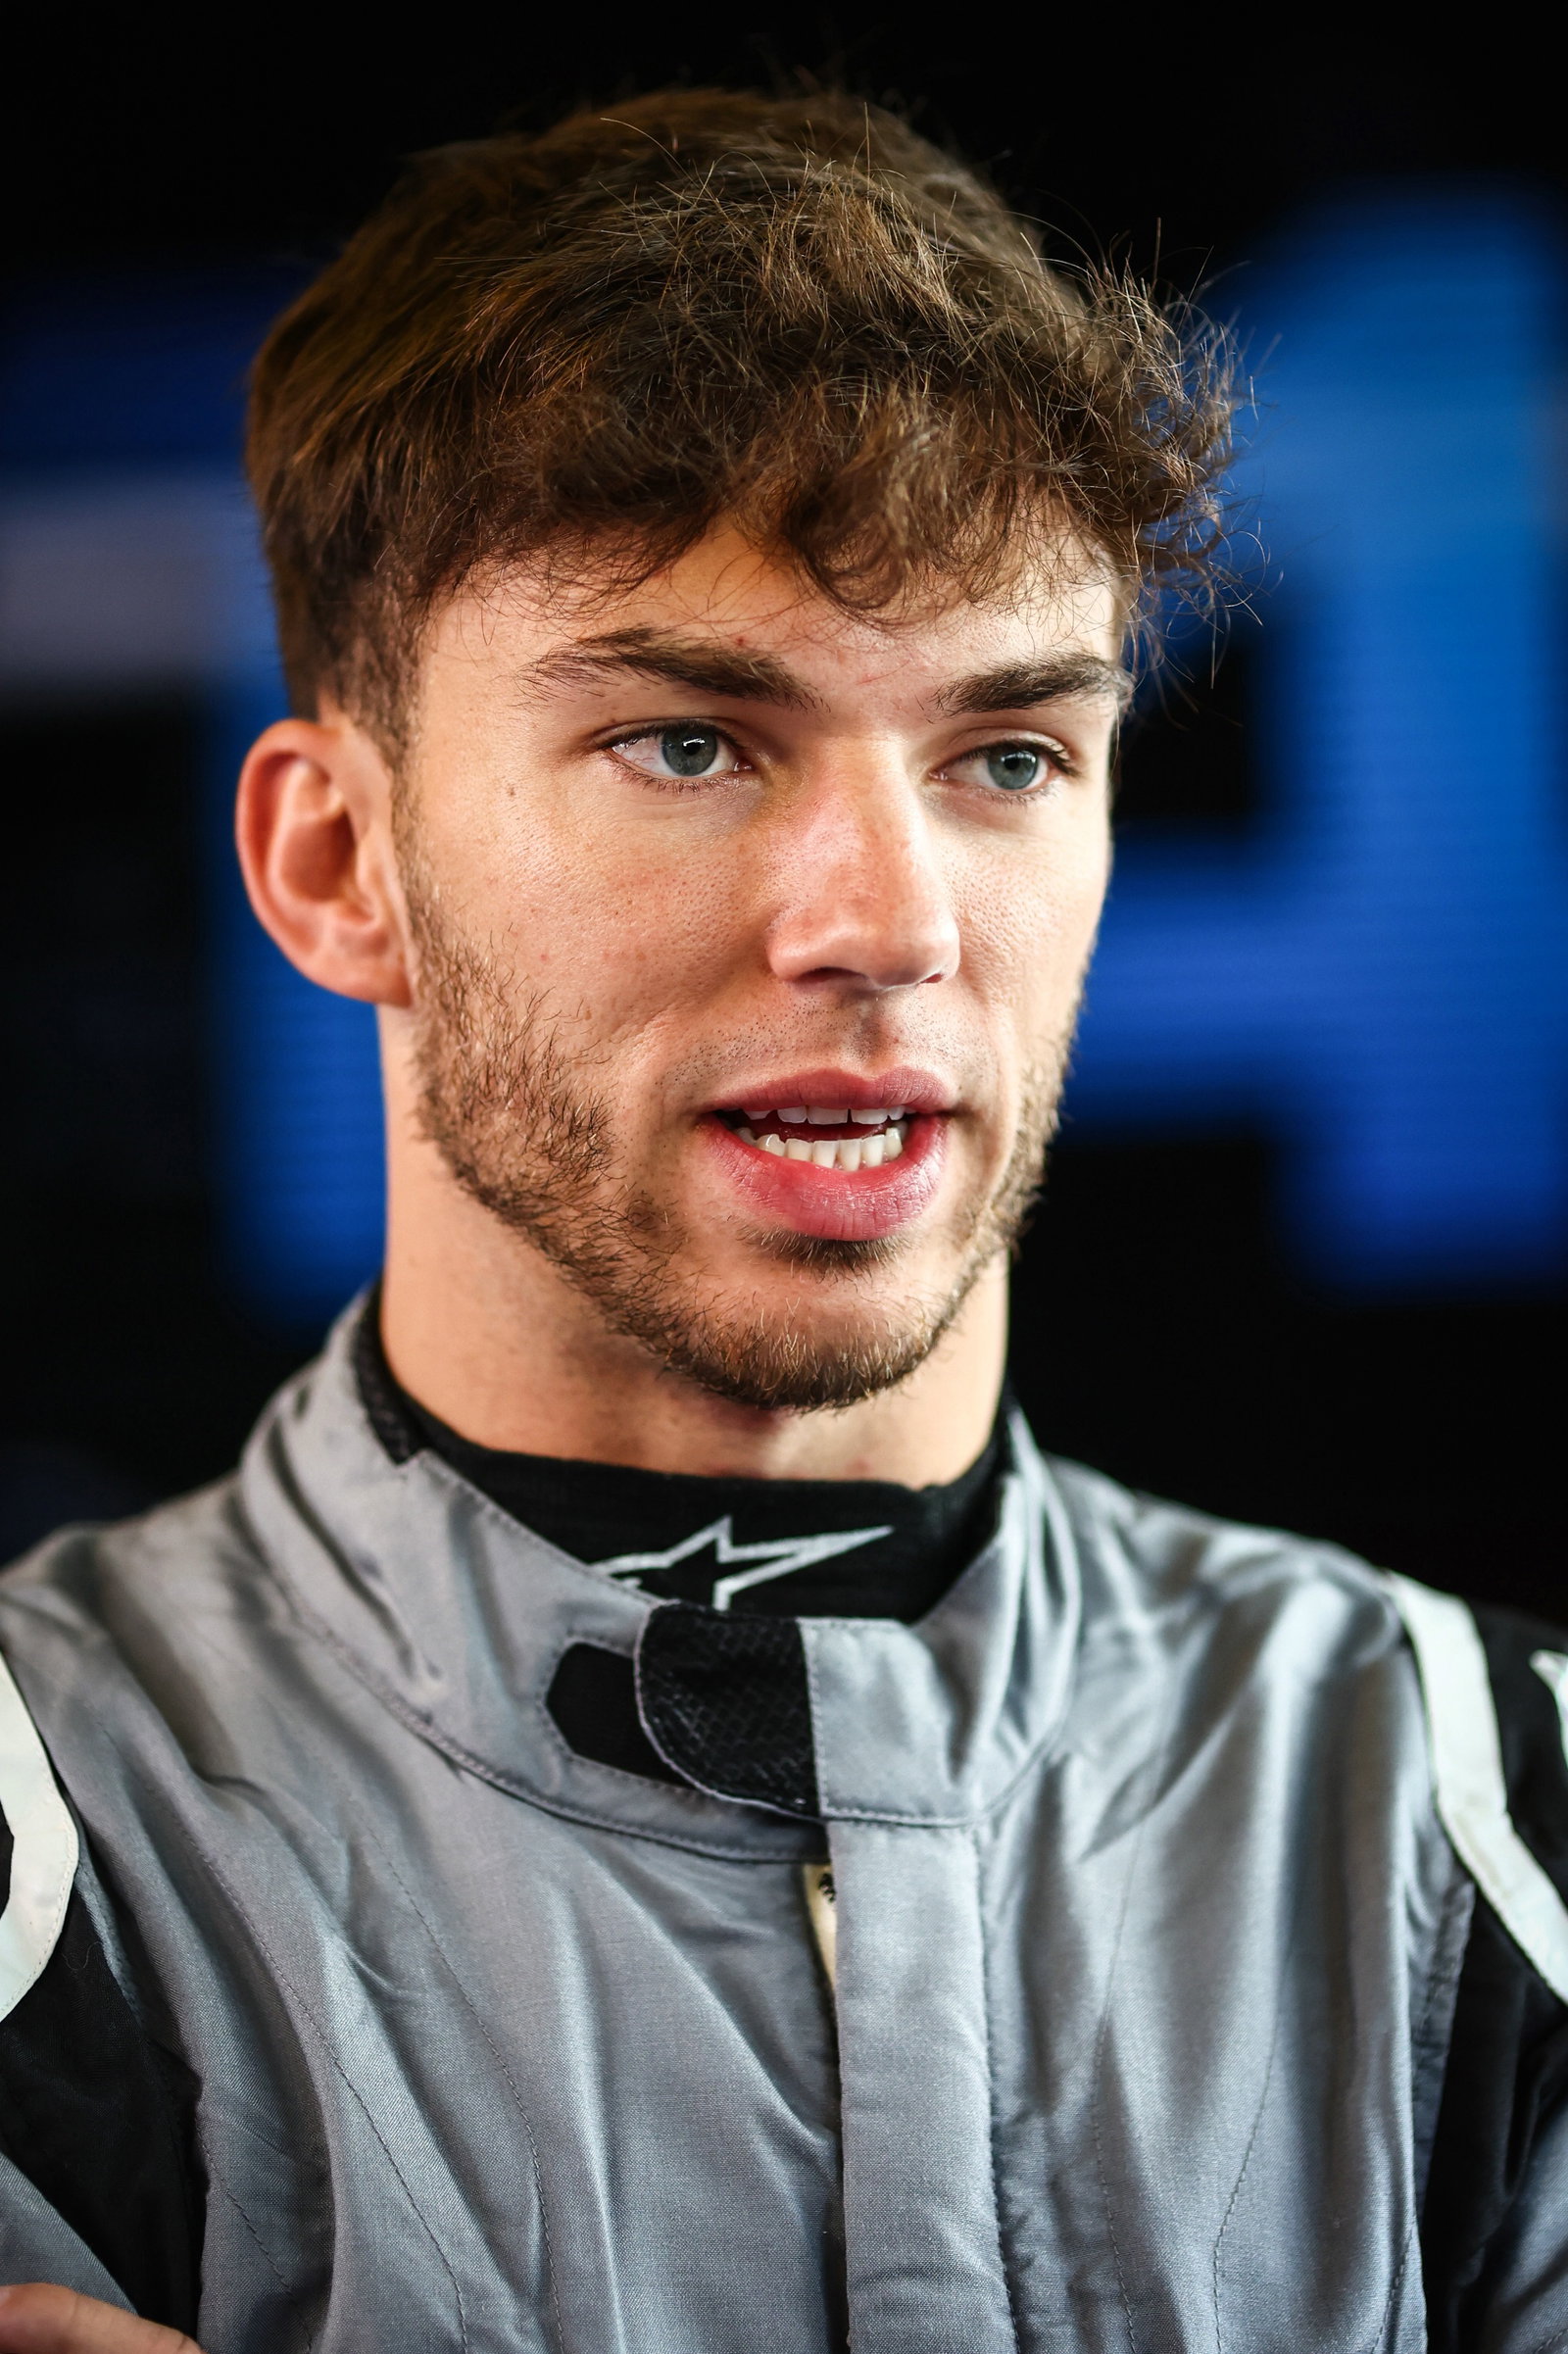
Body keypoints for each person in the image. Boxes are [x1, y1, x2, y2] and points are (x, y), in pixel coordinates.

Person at [0, 86, 1563, 2354]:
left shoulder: (1491, 1813)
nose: (892, 922)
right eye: (689, 741)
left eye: (1005, 754)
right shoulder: (39, 1825)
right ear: (337, 865)